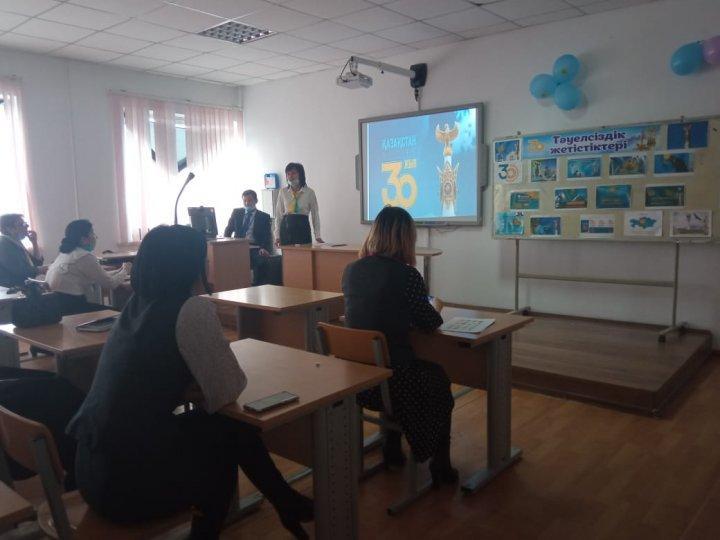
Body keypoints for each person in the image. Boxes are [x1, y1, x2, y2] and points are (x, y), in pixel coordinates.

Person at [67, 225, 313, 540]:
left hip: (92, 471)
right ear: (188, 266)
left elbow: (151, 377)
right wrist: (194, 384)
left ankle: (285, 501)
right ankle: (281, 503)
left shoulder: (136, 306)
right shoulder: (190, 309)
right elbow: (227, 389)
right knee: (226, 440)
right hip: (130, 487)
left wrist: (185, 384)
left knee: (226, 428)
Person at [341, 206, 457, 487]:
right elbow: (429, 322)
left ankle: (391, 447)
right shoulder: (407, 275)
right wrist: (435, 307)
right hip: (395, 383)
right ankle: (440, 464)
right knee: (438, 380)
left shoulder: (351, 270)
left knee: (389, 360)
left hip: (358, 379)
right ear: (406, 238)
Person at [46, 220, 128, 315]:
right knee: (120, 314)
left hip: (57, 306)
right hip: (73, 308)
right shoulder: (84, 256)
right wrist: (126, 270)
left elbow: (98, 276)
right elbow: (111, 284)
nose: (95, 237)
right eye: (92, 233)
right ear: (83, 239)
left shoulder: (65, 254)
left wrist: (119, 271)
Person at [224, 189, 273, 285]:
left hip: (255, 247)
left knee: (262, 261)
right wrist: (225, 244)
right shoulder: (237, 213)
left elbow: (267, 236)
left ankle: (258, 286)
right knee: (227, 261)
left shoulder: (264, 216)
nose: (247, 203)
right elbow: (228, 230)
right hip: (238, 247)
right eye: (245, 201)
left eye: (250, 200)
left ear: (256, 201)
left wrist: (264, 248)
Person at [274, 163, 324, 246]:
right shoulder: (283, 192)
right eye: (288, 174)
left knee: (304, 253)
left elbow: (315, 214)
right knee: (288, 254)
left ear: (301, 174)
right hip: (286, 228)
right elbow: (278, 215)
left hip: (303, 227)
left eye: (293, 173)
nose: (291, 176)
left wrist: (317, 235)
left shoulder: (309, 192)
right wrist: (277, 235)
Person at [0, 214, 46, 288]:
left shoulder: (15, 242)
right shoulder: (3, 244)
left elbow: (36, 263)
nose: (27, 226)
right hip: (12, 289)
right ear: (9, 228)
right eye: (22, 224)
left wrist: (34, 243)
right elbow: (19, 270)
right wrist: (42, 269)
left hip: (22, 286)